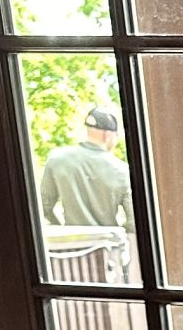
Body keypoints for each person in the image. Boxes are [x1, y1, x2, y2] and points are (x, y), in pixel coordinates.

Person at [38, 103, 134, 274]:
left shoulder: (57, 160)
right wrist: (118, 233)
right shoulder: (121, 171)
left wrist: (63, 230)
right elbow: (133, 221)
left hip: (71, 258)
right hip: (109, 257)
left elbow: (44, 208)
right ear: (108, 135)